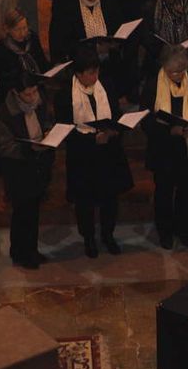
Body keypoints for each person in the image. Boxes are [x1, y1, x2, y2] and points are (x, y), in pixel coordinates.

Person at [55, 45, 134, 258]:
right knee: (85, 201)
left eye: (97, 71)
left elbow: (115, 115)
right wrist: (91, 140)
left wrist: (113, 132)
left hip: (108, 152)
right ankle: (89, 238)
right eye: (90, 72)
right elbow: (64, 128)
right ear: (78, 74)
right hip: (83, 156)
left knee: (110, 198)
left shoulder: (106, 85)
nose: (95, 76)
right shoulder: (65, 94)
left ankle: (108, 235)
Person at [141, 46, 188, 249]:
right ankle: (165, 232)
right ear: (163, 67)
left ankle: (183, 230)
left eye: (182, 71)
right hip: (163, 150)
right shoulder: (153, 85)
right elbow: (145, 121)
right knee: (163, 193)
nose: (178, 75)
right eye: (173, 72)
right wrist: (168, 131)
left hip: (187, 149)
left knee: (186, 193)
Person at [0, 73, 55, 270]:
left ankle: (32, 250)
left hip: (37, 166)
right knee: (22, 212)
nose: (32, 97)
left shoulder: (40, 103)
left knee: (34, 211)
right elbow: (4, 147)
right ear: (17, 94)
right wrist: (30, 148)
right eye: (27, 94)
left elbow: (46, 122)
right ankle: (20, 252)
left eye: (35, 91)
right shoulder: (5, 113)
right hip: (19, 170)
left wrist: (48, 133)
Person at [48, 0, 132, 98]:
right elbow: (61, 42)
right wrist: (93, 48)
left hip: (108, 63)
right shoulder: (66, 7)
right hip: (81, 67)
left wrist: (113, 44)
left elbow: (118, 28)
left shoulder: (109, 0)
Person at [0, 8, 49, 109]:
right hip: (12, 97)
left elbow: (41, 63)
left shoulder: (32, 39)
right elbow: (3, 79)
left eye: (25, 28)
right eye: (17, 29)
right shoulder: (0, 49)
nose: (22, 33)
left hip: (35, 92)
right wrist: (22, 87)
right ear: (7, 29)